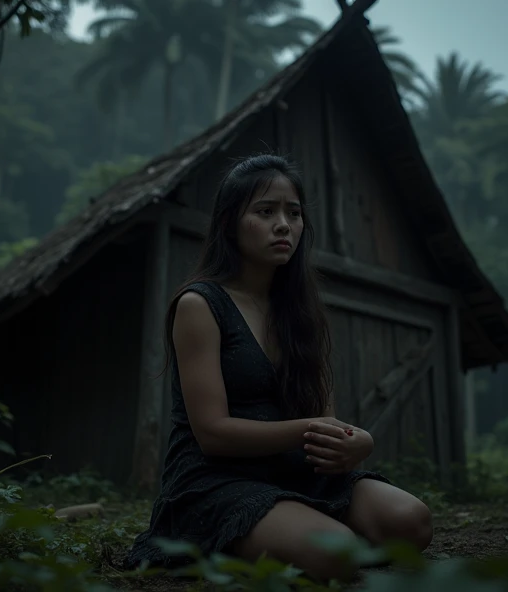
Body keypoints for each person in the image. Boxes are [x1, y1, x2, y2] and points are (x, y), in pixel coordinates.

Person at [123, 154, 433, 582]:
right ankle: (239, 542)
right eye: (265, 211)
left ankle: (302, 538)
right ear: (231, 222)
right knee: (337, 551)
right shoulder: (201, 305)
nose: (283, 224)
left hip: (297, 470)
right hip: (217, 480)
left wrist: (358, 441)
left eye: (294, 213)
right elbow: (212, 434)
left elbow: (323, 419)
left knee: (412, 521)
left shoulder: (301, 311)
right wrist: (313, 430)